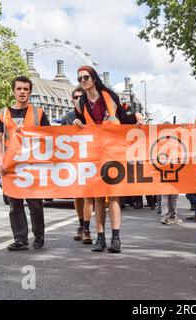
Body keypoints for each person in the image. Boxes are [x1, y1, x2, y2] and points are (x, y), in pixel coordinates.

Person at [73, 65, 144, 253]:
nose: (82, 81)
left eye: (85, 77)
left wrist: (136, 117)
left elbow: (122, 118)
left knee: (113, 195)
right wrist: (76, 123)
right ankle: (100, 238)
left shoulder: (109, 97)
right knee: (97, 196)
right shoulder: (80, 104)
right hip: (94, 153)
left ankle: (116, 238)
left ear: (94, 78)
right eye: (79, 79)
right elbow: (78, 126)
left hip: (112, 151)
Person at [0, 76, 49, 251]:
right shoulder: (4, 114)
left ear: (30, 92)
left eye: (26, 89)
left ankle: (39, 237)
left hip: (33, 165)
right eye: (19, 89)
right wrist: (0, 162)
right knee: (15, 204)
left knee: (35, 204)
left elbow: (50, 137)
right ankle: (20, 239)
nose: (22, 92)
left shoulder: (39, 113)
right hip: (12, 167)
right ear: (13, 91)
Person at [61, 86, 92, 242]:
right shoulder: (67, 117)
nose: (78, 99)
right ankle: (81, 225)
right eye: (76, 97)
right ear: (72, 100)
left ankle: (86, 229)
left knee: (88, 196)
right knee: (77, 196)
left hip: (90, 161)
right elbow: (59, 139)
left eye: (82, 97)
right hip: (74, 162)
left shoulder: (92, 115)